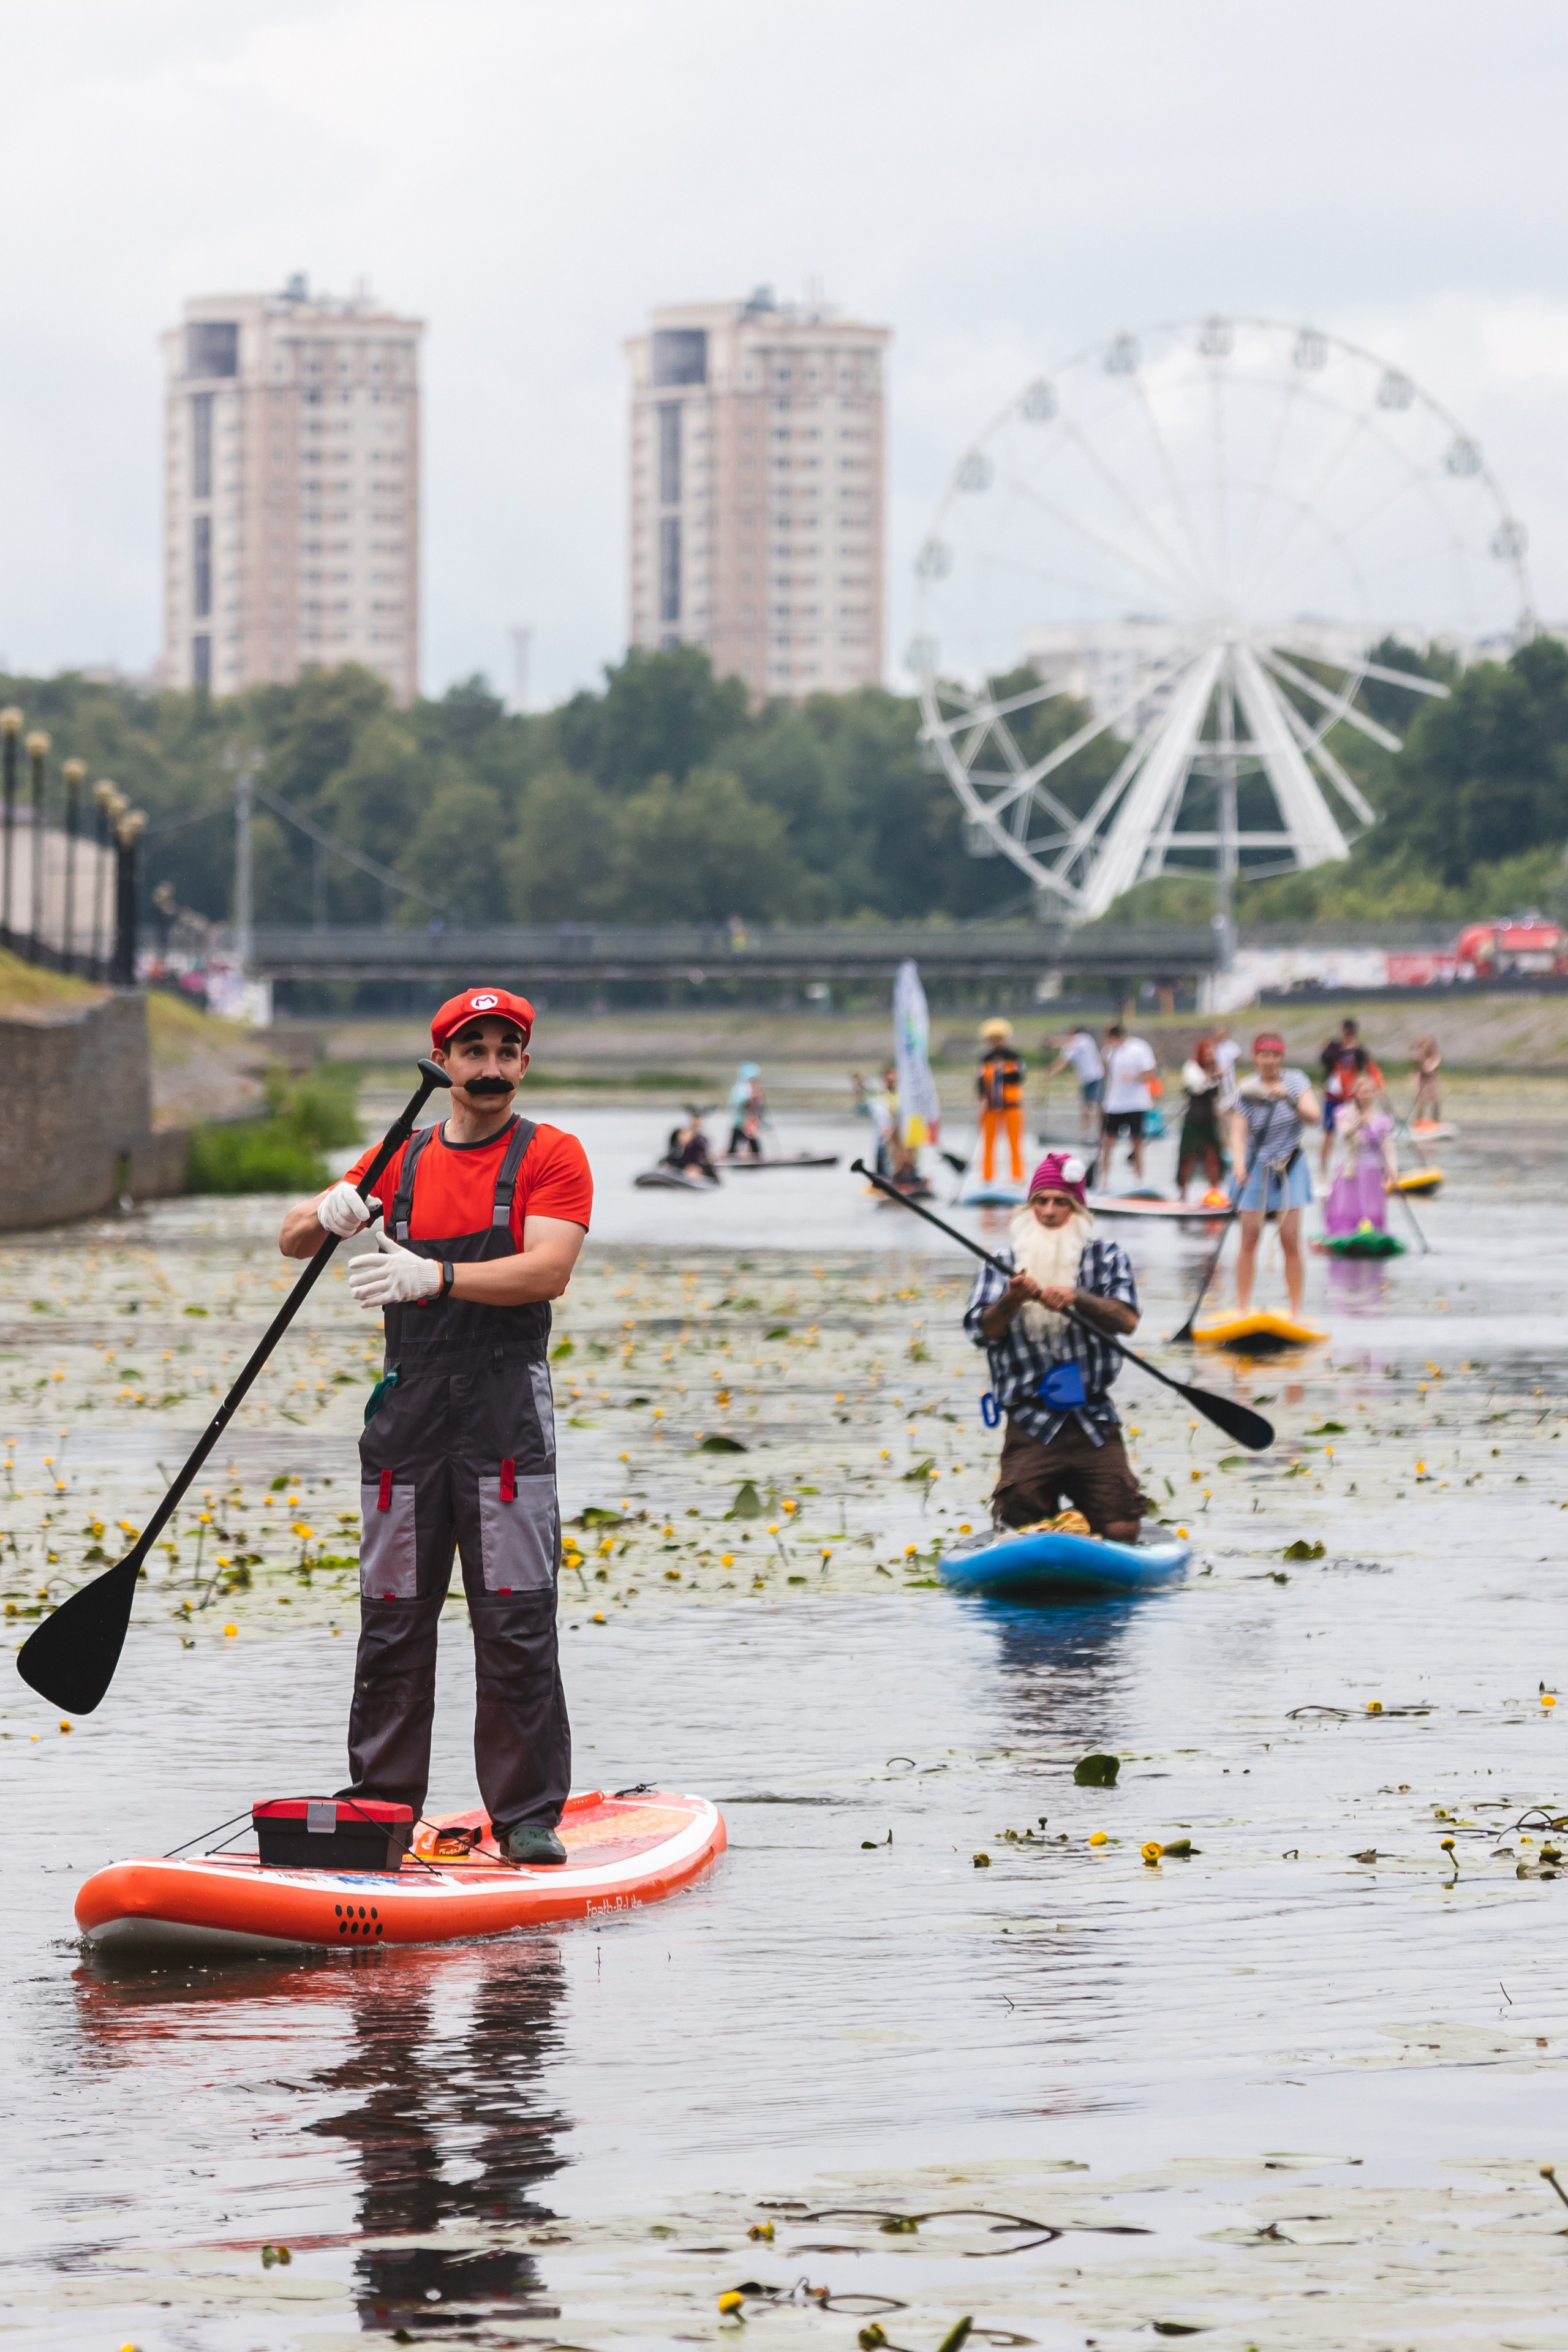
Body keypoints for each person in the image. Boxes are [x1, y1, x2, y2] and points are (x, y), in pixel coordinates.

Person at [277, 987, 593, 1868]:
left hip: (504, 1417)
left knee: (516, 1618)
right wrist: (328, 1213)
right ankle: (379, 1807)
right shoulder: (399, 1158)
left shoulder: (551, 1155)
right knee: (392, 1619)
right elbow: (292, 1239)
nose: (490, 1067)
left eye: (505, 1051)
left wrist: (437, 1278)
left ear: (523, 1064)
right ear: (445, 1061)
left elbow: (548, 1270)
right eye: (473, 1050)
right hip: (406, 1418)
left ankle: (526, 1817)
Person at [964, 1152, 1145, 1541]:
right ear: (1029, 1208)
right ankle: (1049, 1517)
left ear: (1077, 1210)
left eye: (1061, 1202)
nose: (1049, 1212)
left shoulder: (1107, 1256)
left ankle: (1088, 1526)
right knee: (1018, 1523)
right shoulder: (1001, 1261)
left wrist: (1078, 1298)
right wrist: (1012, 1299)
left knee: (1123, 1527)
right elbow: (981, 1332)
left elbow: (1127, 1320)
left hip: (1092, 1418)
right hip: (1031, 1419)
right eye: (1041, 1201)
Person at [1230, 1031, 1321, 1320]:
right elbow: (1238, 1133)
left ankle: (1296, 1310)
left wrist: (1290, 1100)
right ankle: (1242, 1308)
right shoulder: (1247, 1089)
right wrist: (1239, 1165)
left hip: (1289, 1165)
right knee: (1249, 1239)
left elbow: (1314, 1117)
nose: (1268, 1061)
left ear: (1281, 1057)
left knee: (1290, 1240)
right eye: (1263, 1055)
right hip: (1256, 1164)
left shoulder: (1296, 1081)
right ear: (1255, 1058)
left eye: (1273, 1055)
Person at [1324, 1068, 1400, 1237]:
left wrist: (1392, 1170)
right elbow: (1344, 1133)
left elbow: (1388, 1147)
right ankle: (1342, 1232)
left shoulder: (1382, 1119)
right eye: (1363, 1091)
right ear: (1356, 1093)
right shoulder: (1344, 1113)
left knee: (1371, 1205)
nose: (1367, 1095)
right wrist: (1358, 1123)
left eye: (1370, 1091)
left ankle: (1373, 1232)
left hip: (1372, 1169)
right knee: (1347, 1205)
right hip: (1350, 1168)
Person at [1098, 1021, 1158, 1186]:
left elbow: (1151, 1073)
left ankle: (1139, 1180)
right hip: (1114, 1104)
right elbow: (1105, 1074)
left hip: (1137, 1103)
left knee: (1136, 1142)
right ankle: (1103, 1180)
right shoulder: (1108, 1051)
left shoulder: (1139, 1048)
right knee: (1107, 1142)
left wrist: (1134, 1077)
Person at [1176, 1034, 1232, 1198]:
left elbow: (1222, 1096)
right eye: (1206, 1052)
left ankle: (1215, 1191)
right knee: (1188, 1156)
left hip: (1210, 1119)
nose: (1209, 1056)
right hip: (1194, 1119)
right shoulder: (1192, 1068)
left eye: (1211, 1053)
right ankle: (1182, 1192)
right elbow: (1198, 1086)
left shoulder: (1216, 1070)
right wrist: (1212, 1076)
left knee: (1213, 1156)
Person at [1317, 1017, 1372, 1175]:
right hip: (1333, 1097)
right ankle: (1323, 1171)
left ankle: (1353, 1167)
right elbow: (1324, 1061)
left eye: (1348, 1032)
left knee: (1354, 1134)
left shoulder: (1359, 1051)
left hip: (1350, 1098)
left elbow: (1364, 1070)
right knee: (1329, 1135)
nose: (1346, 1035)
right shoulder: (1334, 1047)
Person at [975, 1019, 1027, 1183]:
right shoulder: (985, 1058)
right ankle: (987, 1178)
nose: (995, 1042)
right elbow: (980, 1082)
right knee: (988, 1144)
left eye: (998, 1038)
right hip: (991, 1107)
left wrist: (1001, 1072)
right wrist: (981, 1097)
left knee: (1015, 1144)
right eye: (992, 1039)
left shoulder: (1014, 1057)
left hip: (1011, 1106)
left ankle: (1017, 1178)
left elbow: (1018, 1078)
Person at [1044, 1025, 1105, 1143]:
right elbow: (1062, 1062)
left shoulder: (1086, 1039)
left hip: (1096, 1076)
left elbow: (1068, 1041)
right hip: (1085, 1080)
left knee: (1097, 1106)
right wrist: (1050, 1072)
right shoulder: (1069, 1047)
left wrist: (1052, 1042)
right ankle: (1085, 1135)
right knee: (1085, 1108)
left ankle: (1102, 1133)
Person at [664, 1108, 718, 1182]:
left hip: (696, 1166)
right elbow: (672, 1155)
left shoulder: (702, 1141)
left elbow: (706, 1157)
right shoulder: (679, 1136)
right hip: (681, 1165)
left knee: (692, 1172)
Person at [727, 1062, 765, 1159]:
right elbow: (740, 1105)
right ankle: (732, 1157)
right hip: (741, 1122)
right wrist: (752, 1098)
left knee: (752, 1144)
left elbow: (758, 1108)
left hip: (749, 1123)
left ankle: (754, 1158)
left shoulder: (749, 1088)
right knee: (736, 1145)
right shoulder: (741, 1088)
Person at [1408, 1035, 1442, 1125]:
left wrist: (1424, 1058)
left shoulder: (1435, 1057)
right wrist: (1416, 1050)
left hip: (1431, 1081)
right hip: (1421, 1080)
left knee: (1435, 1101)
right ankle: (1418, 1121)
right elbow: (1413, 1062)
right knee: (1421, 1102)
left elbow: (1429, 1068)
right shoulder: (1420, 1056)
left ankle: (1436, 1121)